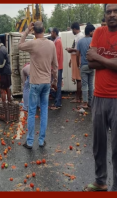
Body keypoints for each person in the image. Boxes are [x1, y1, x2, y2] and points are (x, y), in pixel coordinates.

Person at [83, 4, 117, 192]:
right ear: (104, 14)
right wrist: (110, 62)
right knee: (99, 144)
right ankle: (100, 181)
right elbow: (90, 61)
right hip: (98, 96)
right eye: (108, 11)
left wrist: (101, 58)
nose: (112, 14)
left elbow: (97, 60)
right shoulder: (98, 33)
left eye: (116, 11)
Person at [18, 21, 58, 149]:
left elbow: (19, 45)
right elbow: (55, 66)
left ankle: (29, 142)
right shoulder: (51, 44)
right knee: (44, 110)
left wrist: (27, 31)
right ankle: (41, 141)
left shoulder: (33, 43)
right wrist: (55, 81)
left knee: (31, 112)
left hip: (35, 82)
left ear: (34, 31)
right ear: (44, 29)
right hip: (46, 82)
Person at [76, 24, 95, 109]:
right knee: (91, 84)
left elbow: (77, 54)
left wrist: (77, 64)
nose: (94, 32)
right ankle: (91, 102)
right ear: (90, 31)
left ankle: (85, 103)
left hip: (83, 65)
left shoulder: (80, 41)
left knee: (84, 85)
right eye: (93, 31)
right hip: (92, 65)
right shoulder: (93, 41)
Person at [65, 22, 84, 103]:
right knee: (77, 79)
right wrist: (70, 60)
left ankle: (78, 98)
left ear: (75, 29)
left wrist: (71, 50)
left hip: (77, 58)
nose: (72, 31)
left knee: (78, 79)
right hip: (74, 58)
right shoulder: (78, 36)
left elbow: (78, 50)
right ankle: (79, 97)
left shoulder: (80, 37)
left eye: (72, 29)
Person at [50, 27, 64, 110]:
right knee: (55, 85)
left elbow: (57, 56)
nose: (51, 34)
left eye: (51, 32)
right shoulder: (57, 41)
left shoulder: (58, 41)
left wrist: (53, 68)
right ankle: (57, 100)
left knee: (57, 85)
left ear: (54, 33)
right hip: (58, 66)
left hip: (57, 67)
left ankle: (58, 103)